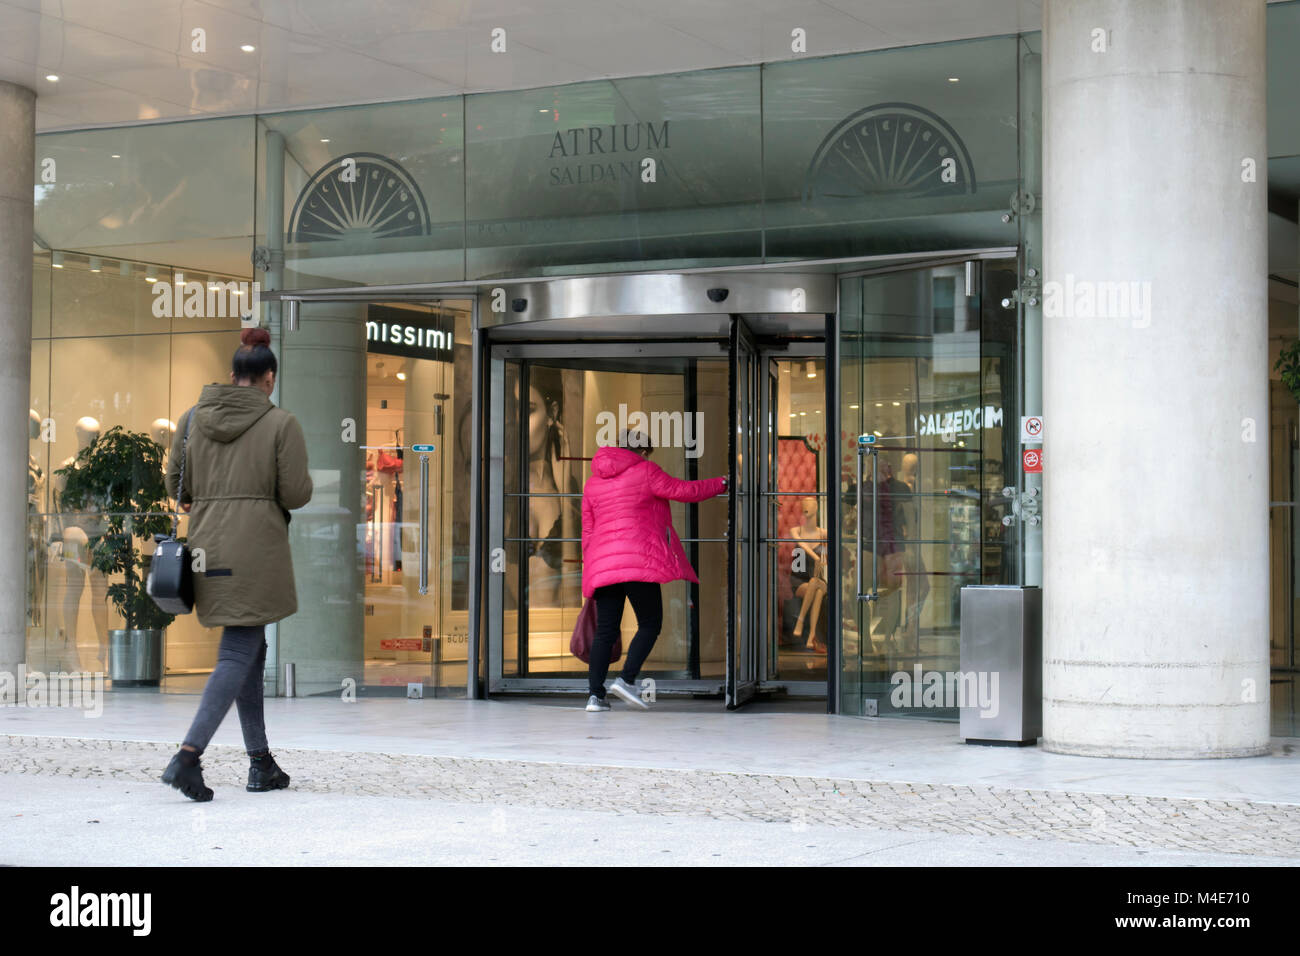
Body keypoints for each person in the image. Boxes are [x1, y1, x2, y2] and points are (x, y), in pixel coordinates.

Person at [160, 327, 313, 801]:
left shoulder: (190, 419)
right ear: (269, 378)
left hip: (207, 543)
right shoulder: (280, 423)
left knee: (250, 649)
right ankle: (188, 755)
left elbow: (175, 488)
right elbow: (295, 493)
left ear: (231, 376)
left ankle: (260, 763)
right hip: (256, 549)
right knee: (237, 651)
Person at [580, 430, 726, 711]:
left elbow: (587, 531)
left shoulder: (592, 483)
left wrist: (592, 568)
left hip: (603, 564)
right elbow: (684, 491)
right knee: (650, 622)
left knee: (605, 631)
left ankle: (595, 696)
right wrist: (721, 483)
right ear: (643, 451)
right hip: (638, 560)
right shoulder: (645, 471)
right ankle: (626, 679)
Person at [790, 496, 828, 652]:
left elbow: (826, 559)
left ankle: (800, 620)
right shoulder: (796, 530)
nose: (806, 506)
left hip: (819, 579)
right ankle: (812, 636)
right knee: (817, 591)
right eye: (803, 504)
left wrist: (823, 557)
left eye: (810, 504)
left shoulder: (824, 533)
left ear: (817, 508)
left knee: (816, 583)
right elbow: (801, 543)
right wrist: (815, 556)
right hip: (799, 580)